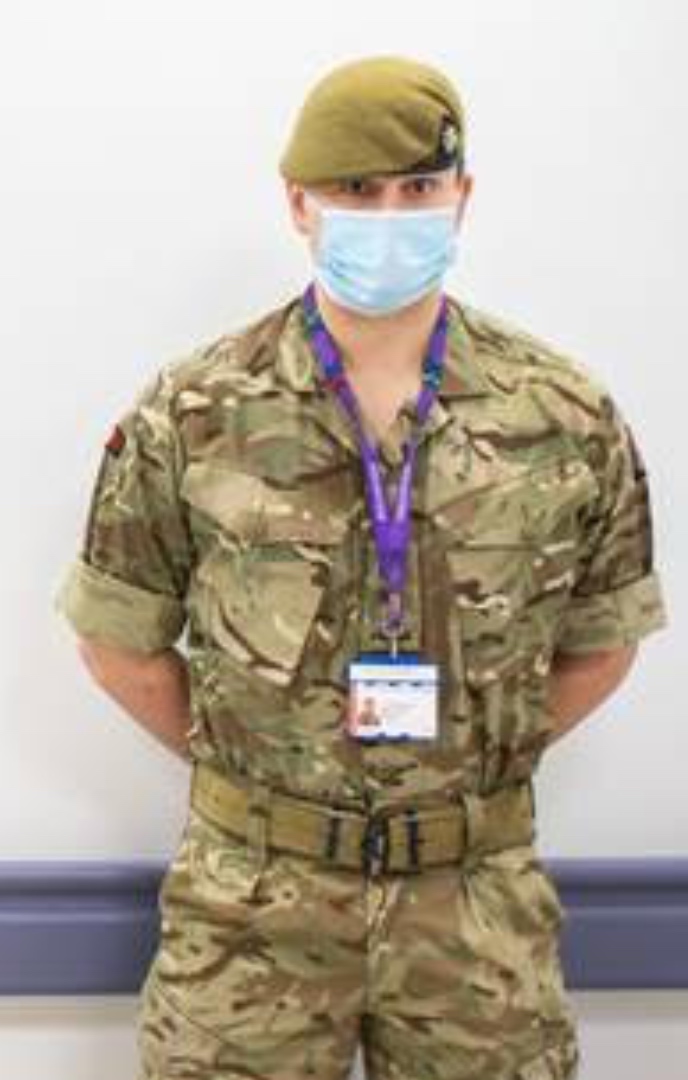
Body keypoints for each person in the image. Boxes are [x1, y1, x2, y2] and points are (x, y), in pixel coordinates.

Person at [59, 56, 664, 1079]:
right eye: (357, 189)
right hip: (251, 910)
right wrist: (262, 772)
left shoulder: (563, 415)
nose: (390, 216)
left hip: (475, 912)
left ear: (462, 196)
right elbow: (117, 644)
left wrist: (468, 769)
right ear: (299, 203)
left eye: (419, 188)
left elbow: (602, 645)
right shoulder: (195, 411)